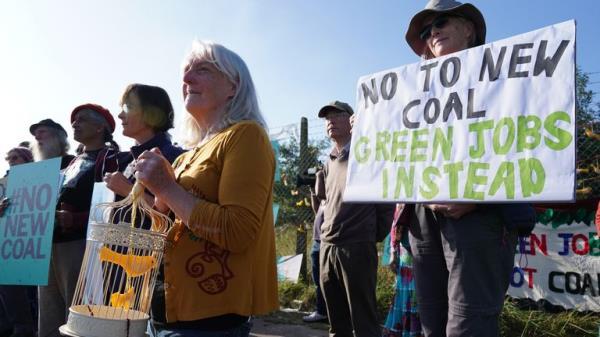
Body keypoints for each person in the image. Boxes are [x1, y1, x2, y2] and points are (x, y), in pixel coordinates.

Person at [133, 40, 278, 337]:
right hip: (164, 311)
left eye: (203, 70)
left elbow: (237, 231)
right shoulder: (187, 155)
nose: (186, 78)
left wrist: (167, 188)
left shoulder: (245, 135)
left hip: (210, 319)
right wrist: (152, 191)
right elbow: (170, 227)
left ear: (233, 87)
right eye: (186, 71)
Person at [403, 1, 531, 336]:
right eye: (426, 31)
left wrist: (479, 198)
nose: (434, 33)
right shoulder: (411, 98)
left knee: (467, 325)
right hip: (423, 221)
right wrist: (369, 127)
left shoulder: (508, 81)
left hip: (481, 218)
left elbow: (530, 153)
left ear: (469, 29)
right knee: (432, 323)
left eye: (442, 21)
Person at [38, 104, 117, 337]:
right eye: (74, 120)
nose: (75, 124)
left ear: (100, 127)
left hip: (80, 246)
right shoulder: (70, 162)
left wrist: (76, 219)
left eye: (82, 119)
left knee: (77, 315)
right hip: (50, 245)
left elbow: (112, 205)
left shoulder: (110, 159)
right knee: (49, 312)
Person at [317, 100, 395, 337]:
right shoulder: (328, 161)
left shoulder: (368, 154)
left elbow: (385, 199)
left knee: (363, 320)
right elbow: (325, 203)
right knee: (336, 320)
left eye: (337, 115)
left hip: (357, 246)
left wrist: (370, 235)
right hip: (327, 247)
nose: (331, 120)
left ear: (352, 121)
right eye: (327, 117)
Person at [103, 83, 185, 204]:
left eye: (128, 107)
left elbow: (178, 216)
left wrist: (129, 191)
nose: (120, 115)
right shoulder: (127, 159)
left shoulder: (176, 157)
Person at [0, 147, 36, 337]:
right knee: (7, 287)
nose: (11, 161)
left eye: (16, 158)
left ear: (28, 159)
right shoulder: (3, 184)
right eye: (9, 158)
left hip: (33, 242)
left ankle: (27, 327)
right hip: (8, 242)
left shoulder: (40, 178)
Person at [382, 204, 423, 337]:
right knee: (410, 297)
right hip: (408, 249)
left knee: (418, 297)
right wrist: (393, 251)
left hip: (421, 248)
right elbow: (398, 217)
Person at [303, 169, 328, 323]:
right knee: (318, 279)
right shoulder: (324, 197)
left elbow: (321, 194)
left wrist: (318, 181)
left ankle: (330, 312)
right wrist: (312, 190)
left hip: (328, 241)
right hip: (317, 240)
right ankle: (322, 311)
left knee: (328, 280)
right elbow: (317, 209)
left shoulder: (332, 192)